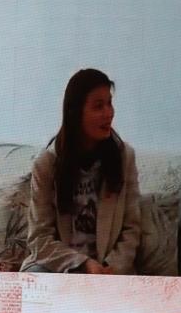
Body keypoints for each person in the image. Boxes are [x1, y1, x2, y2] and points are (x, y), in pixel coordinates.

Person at [21, 68, 141, 274]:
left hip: (108, 268)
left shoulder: (124, 158)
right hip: (60, 266)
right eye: (98, 106)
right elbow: (39, 239)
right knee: (35, 277)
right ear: (75, 113)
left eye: (110, 103)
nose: (108, 113)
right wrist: (83, 264)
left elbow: (132, 228)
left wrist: (109, 268)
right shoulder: (46, 165)